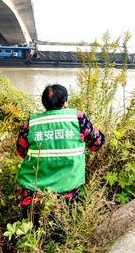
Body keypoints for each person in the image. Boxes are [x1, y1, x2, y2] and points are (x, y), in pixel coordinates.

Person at [16, 84, 106, 219]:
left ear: (44, 103)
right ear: (65, 102)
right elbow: (98, 144)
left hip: (33, 194)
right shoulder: (77, 118)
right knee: (63, 234)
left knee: (30, 231)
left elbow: (20, 151)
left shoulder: (33, 122)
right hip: (67, 196)